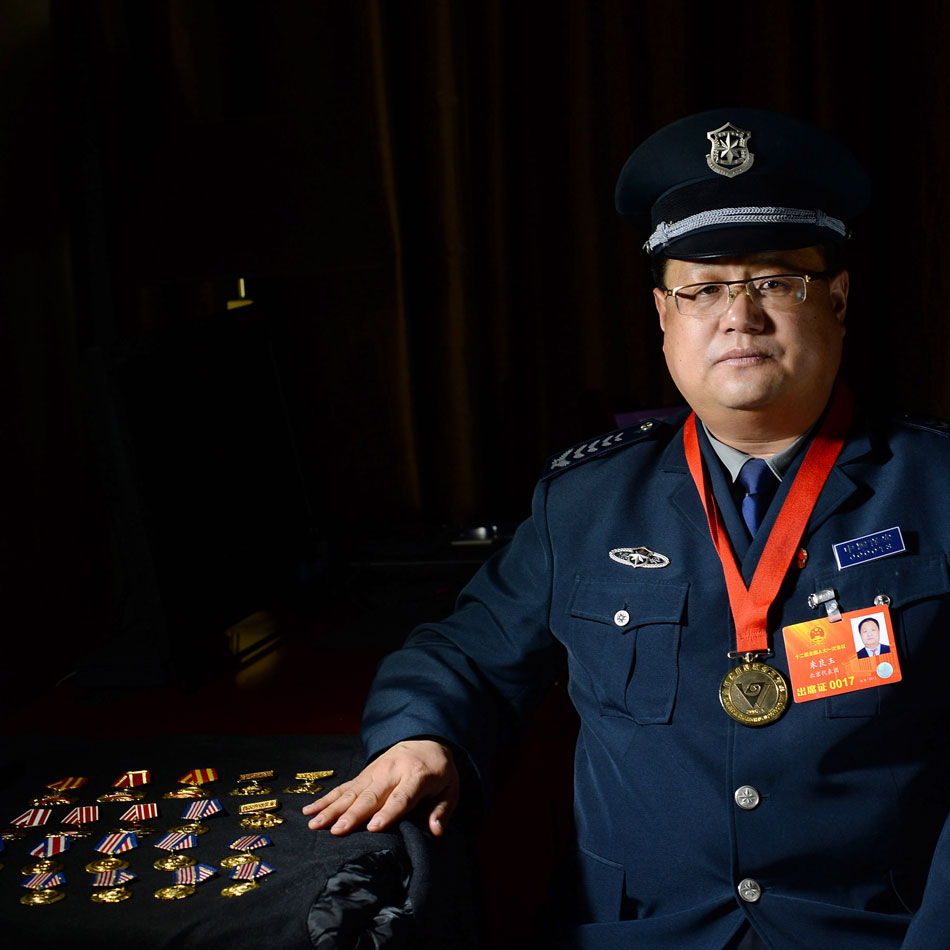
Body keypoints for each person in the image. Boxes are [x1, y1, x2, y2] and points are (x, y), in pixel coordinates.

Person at [303, 108, 950, 949]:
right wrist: (426, 737)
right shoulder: (585, 502)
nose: (739, 317)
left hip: (877, 932)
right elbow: (465, 652)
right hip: (633, 934)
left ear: (836, 298)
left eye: (775, 283)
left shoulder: (937, 487)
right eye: (705, 289)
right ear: (662, 316)